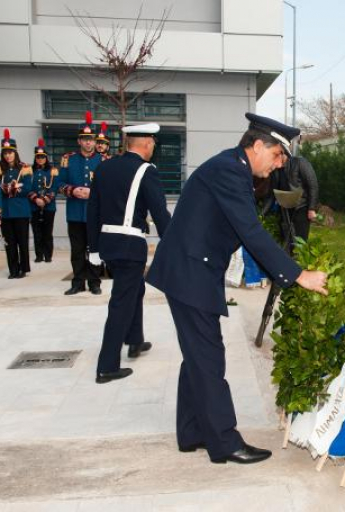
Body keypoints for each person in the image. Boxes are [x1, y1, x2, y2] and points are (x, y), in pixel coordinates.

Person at [146, 113, 328, 465]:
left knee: (198, 355)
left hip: (193, 269)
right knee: (209, 357)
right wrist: (299, 275)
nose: (278, 165)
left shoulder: (232, 168)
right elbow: (251, 231)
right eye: (277, 156)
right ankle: (224, 441)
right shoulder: (230, 170)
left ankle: (192, 431)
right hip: (190, 272)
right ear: (258, 145)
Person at [87, 123, 171, 384]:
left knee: (134, 289)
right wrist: (173, 244)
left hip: (108, 244)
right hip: (129, 245)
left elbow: (93, 210)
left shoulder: (104, 167)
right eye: (153, 143)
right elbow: (159, 212)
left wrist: (94, 248)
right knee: (121, 301)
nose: (153, 147)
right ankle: (107, 366)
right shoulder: (147, 171)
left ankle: (135, 340)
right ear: (145, 144)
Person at [58, 111, 107, 295]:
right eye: (84, 139)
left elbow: (109, 187)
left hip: (95, 213)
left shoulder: (103, 160)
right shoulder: (68, 159)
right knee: (77, 250)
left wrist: (92, 192)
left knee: (95, 248)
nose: (88, 142)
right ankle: (78, 282)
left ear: (95, 142)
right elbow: (59, 184)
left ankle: (95, 282)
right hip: (75, 212)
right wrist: (72, 190)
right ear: (79, 141)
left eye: (91, 139)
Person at [0, 130, 32, 279]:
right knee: (9, 242)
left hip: (21, 211)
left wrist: (12, 188)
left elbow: (27, 189)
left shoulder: (24, 168)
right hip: (6, 211)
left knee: (22, 241)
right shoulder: (1, 170)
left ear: (15, 152)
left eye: (10, 152)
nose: (8, 155)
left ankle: (23, 268)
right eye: (5, 153)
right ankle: (13, 269)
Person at [273, 153, 319, 240]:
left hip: (301, 207)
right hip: (285, 210)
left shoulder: (299, 162)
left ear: (283, 153)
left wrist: (311, 208)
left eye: (276, 156)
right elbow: (272, 191)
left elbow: (313, 185)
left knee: (300, 240)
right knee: (286, 238)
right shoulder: (275, 169)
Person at [28, 138, 58, 263]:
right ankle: (39, 255)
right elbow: (27, 187)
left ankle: (48, 255)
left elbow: (55, 186)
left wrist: (46, 199)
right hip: (34, 205)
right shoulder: (29, 171)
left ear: (46, 158)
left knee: (47, 231)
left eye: (42, 157)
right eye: (38, 157)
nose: (40, 159)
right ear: (35, 158)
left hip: (49, 206)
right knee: (36, 231)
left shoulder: (52, 171)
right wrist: (35, 199)